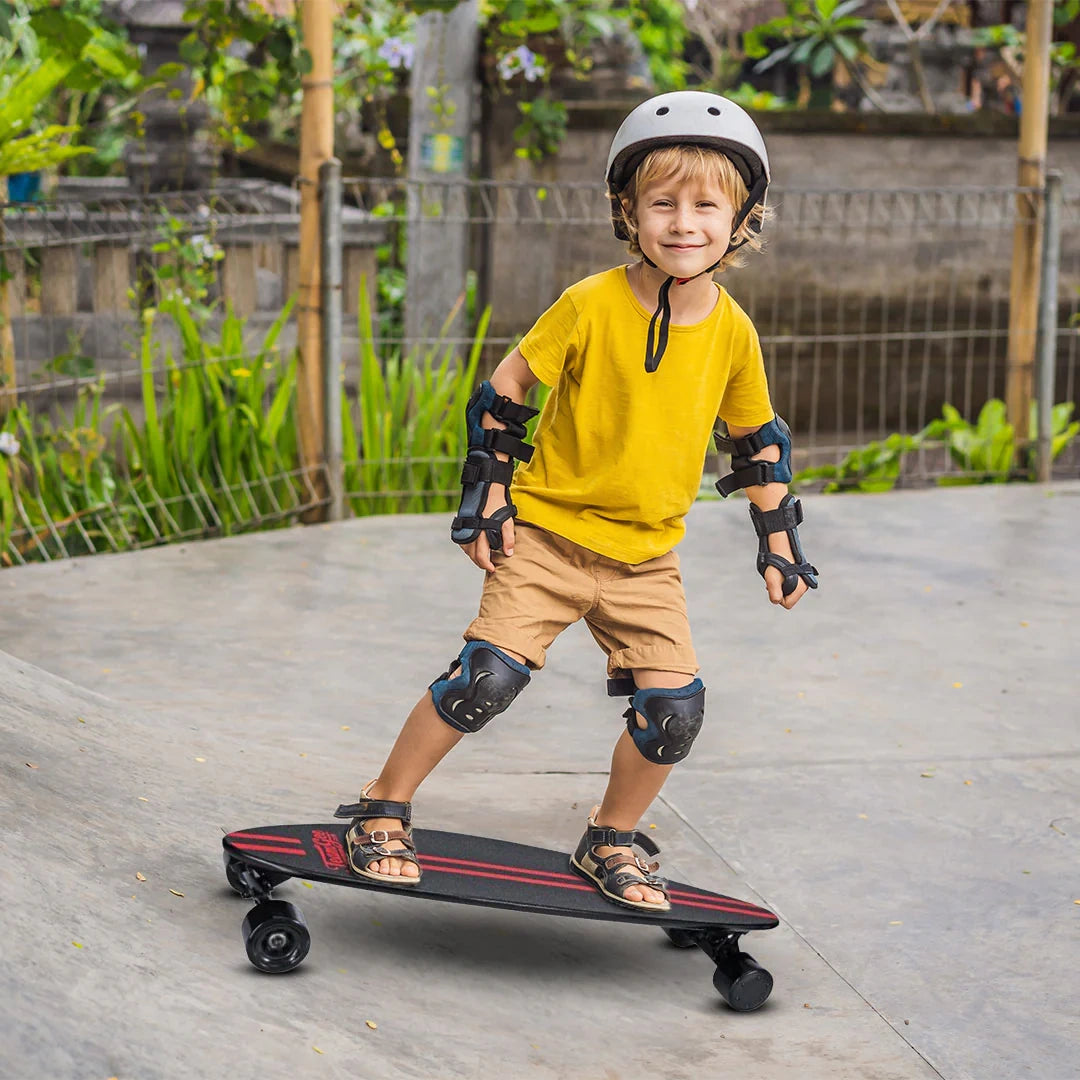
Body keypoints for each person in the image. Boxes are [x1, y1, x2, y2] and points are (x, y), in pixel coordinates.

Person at [334, 91, 818, 912]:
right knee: (482, 680)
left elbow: (757, 441)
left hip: (647, 559)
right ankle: (383, 806)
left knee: (675, 712)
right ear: (628, 211)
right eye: (662, 203)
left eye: (707, 205)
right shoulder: (591, 302)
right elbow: (506, 389)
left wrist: (779, 544)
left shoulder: (735, 332)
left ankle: (612, 837)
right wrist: (489, 496)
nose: (683, 223)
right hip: (548, 539)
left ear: (744, 218)